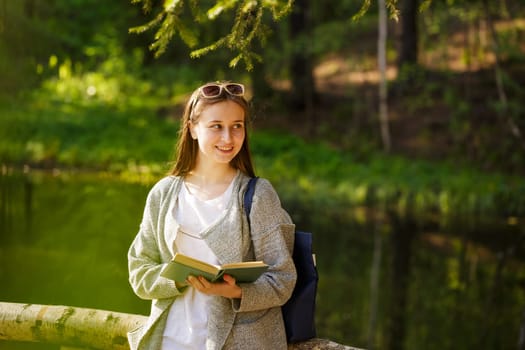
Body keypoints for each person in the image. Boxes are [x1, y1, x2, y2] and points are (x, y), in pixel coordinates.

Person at [127, 81, 297, 350]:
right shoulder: (164, 193)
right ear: (193, 128)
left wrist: (234, 291)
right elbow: (139, 273)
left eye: (237, 126)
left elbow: (283, 280)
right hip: (170, 341)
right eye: (216, 126)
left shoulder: (257, 195)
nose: (228, 138)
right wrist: (177, 277)